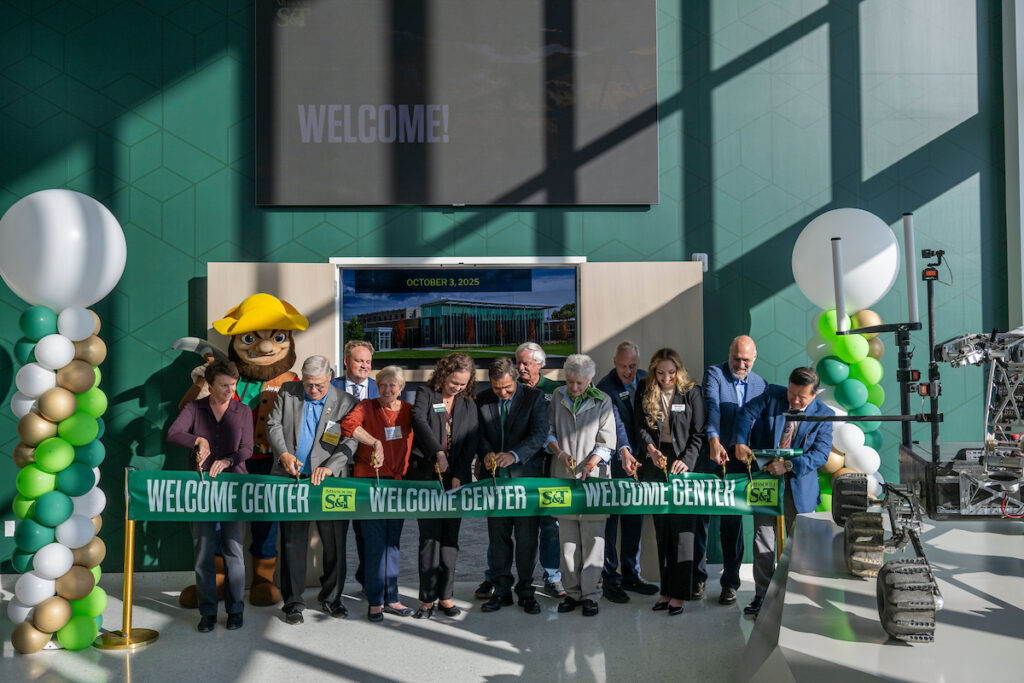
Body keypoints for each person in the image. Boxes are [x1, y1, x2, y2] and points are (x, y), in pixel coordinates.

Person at [267, 355, 360, 625]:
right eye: (308, 385)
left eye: (319, 385)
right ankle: (293, 603)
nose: (313, 390)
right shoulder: (288, 391)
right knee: (292, 543)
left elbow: (350, 440)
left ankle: (332, 599)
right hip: (292, 478)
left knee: (335, 543)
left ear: (330, 375)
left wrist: (331, 467)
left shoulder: (345, 402)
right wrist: (283, 454)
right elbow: (273, 424)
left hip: (331, 481)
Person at [734, 366, 833, 617]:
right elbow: (745, 413)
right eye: (791, 393)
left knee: (798, 545)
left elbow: (820, 455)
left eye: (801, 396)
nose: (794, 399)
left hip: (798, 487)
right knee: (762, 540)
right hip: (765, 482)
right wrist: (740, 441)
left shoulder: (824, 414)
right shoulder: (772, 395)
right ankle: (762, 597)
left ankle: (795, 596)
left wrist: (788, 466)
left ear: (815, 394)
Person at [167, 360, 252, 633]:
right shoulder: (195, 408)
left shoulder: (243, 411)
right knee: (203, 551)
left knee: (233, 551)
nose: (230, 390)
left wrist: (228, 460)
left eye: (233, 385)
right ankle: (208, 613)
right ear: (211, 386)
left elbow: (248, 449)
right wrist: (197, 440)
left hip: (234, 489)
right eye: (224, 386)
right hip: (201, 490)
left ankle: (236, 610)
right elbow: (173, 433)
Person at [695, 335, 766, 605]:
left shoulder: (761, 384)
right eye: (736, 358)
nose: (740, 363)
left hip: (739, 463)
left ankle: (730, 583)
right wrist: (714, 440)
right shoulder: (714, 373)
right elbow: (711, 407)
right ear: (729, 354)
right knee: (700, 518)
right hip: (711, 457)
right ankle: (697, 578)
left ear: (754, 358)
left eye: (746, 359)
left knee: (732, 524)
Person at [634, 348, 705, 615]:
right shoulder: (644, 389)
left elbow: (699, 433)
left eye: (671, 373)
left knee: (683, 532)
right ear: (654, 371)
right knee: (662, 531)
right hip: (656, 464)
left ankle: (680, 594)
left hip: (683, 464)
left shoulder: (691, 392)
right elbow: (639, 426)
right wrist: (650, 449)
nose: (666, 378)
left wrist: (687, 459)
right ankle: (665, 591)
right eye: (661, 373)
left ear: (679, 370)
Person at [341, 365, 415, 622]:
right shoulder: (366, 406)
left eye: (392, 385)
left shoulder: (408, 411)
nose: (387, 389)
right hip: (369, 482)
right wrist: (374, 442)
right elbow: (348, 426)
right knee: (374, 545)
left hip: (397, 483)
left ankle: (392, 597)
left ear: (401, 388)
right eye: (382, 384)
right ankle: (375, 601)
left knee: (392, 543)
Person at [545, 354, 616, 616]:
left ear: (589, 380)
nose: (573, 388)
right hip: (562, 476)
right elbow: (549, 431)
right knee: (568, 541)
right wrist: (559, 453)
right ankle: (572, 593)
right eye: (570, 382)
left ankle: (591, 595)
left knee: (593, 539)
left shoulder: (603, 401)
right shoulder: (557, 396)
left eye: (579, 383)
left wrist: (590, 464)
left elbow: (607, 442)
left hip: (593, 478)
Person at [477, 357, 549, 615]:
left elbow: (540, 434)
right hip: (495, 481)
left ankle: (527, 591)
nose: (503, 393)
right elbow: (480, 434)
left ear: (516, 379)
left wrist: (515, 454)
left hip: (526, 479)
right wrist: (486, 453)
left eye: (507, 388)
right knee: (498, 539)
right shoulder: (483, 399)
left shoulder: (535, 398)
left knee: (527, 539)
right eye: (498, 389)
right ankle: (502, 591)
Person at [408, 353, 478, 619]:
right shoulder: (426, 393)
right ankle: (426, 601)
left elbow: (471, 440)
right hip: (427, 475)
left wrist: (461, 473)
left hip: (456, 479)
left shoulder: (469, 402)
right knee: (429, 538)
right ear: (443, 375)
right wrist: (437, 452)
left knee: (450, 539)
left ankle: (446, 597)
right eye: (453, 383)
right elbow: (419, 421)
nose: (457, 388)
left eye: (462, 384)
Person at [595, 341, 658, 603]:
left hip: (642, 465)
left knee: (634, 521)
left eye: (633, 366)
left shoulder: (646, 379)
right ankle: (610, 579)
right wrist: (625, 449)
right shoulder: (605, 388)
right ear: (614, 362)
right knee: (611, 525)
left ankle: (632, 575)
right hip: (615, 464)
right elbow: (616, 425)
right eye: (623, 366)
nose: (628, 371)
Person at [513, 341, 565, 599]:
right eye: (519, 363)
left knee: (550, 524)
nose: (521, 368)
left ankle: (552, 577)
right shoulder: (511, 390)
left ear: (540, 365)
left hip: (549, 468)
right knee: (513, 522)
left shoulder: (555, 390)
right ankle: (495, 576)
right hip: (519, 468)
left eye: (526, 363)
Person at [329, 339, 379, 591]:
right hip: (337, 469)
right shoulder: (330, 387)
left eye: (368, 362)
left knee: (367, 531)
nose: (365, 366)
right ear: (347, 362)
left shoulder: (379, 388)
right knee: (338, 532)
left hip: (369, 469)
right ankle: (335, 591)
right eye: (360, 361)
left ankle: (366, 582)